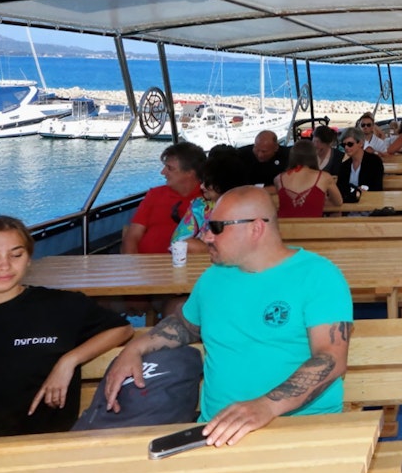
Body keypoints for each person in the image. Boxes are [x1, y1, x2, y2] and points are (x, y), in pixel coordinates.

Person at [102, 187, 352, 447]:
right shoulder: (213, 277)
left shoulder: (318, 276)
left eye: (217, 227)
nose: (206, 236)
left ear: (256, 228)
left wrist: (265, 407)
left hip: (300, 429)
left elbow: (331, 358)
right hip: (216, 431)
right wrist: (135, 347)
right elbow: (185, 325)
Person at [0, 215, 133, 437]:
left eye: (16, 254)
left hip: (49, 440)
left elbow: (122, 329)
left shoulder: (60, 305)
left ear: (28, 259)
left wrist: (69, 360)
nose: (5, 265)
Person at [121, 141, 206, 255]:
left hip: (187, 268)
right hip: (144, 266)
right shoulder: (154, 195)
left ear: (190, 173)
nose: (162, 172)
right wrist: (133, 268)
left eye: (169, 168)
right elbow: (132, 237)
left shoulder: (207, 200)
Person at [172, 148, 248, 255]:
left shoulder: (248, 208)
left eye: (208, 183)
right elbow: (178, 242)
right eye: (202, 181)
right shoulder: (200, 207)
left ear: (223, 184)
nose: (202, 186)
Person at [274, 140, 343, 218]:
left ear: (292, 156)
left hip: (284, 228)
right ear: (313, 156)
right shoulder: (324, 177)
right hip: (314, 228)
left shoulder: (278, 179)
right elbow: (338, 202)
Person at [337, 127, 384, 202]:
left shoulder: (374, 161)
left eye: (350, 144)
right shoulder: (344, 166)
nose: (346, 147)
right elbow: (340, 189)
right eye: (343, 145)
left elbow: (376, 188)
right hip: (348, 206)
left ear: (361, 143)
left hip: (370, 205)